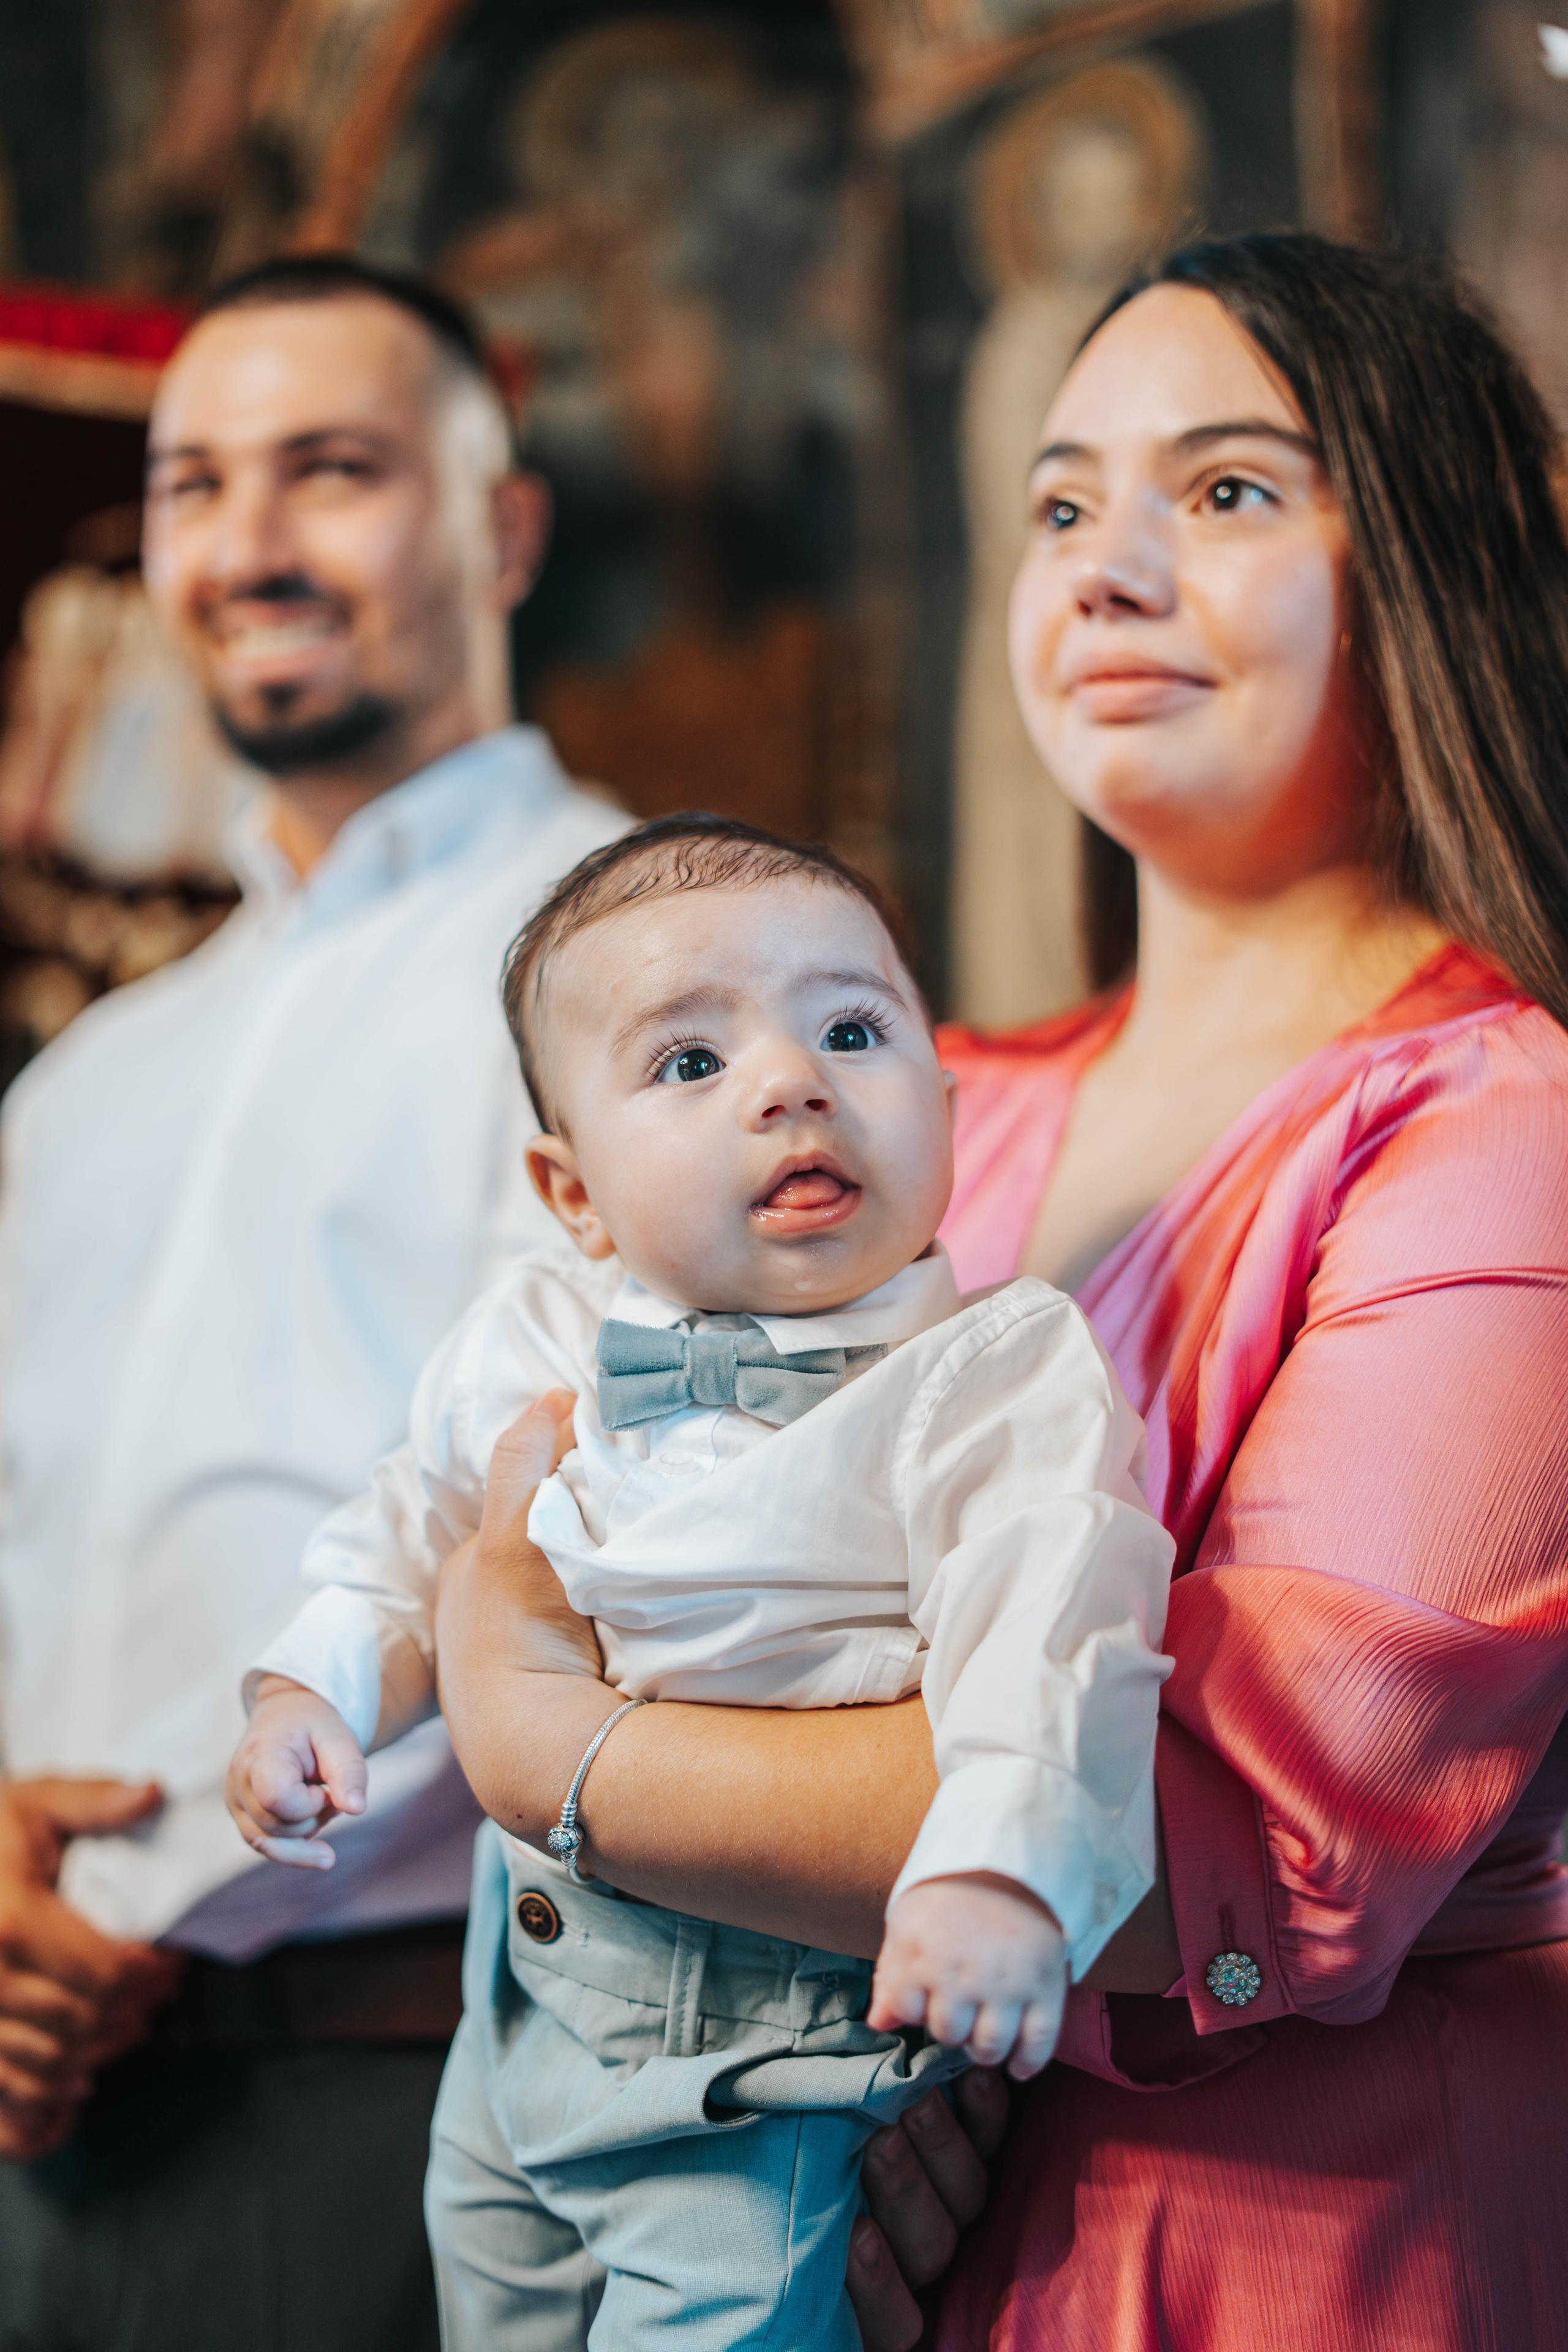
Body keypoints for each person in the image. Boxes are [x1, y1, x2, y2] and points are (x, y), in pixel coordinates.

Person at [431, 233, 1568, 2351]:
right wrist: (851, 2066)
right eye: (1059, 505)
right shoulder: (942, 1104)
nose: (1105, 569)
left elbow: (1240, 1816)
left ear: (1439, 552)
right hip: (847, 2186)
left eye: (1226, 491)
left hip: (1281, 2256)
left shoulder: (1510, 1122)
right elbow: (584, 1517)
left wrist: (553, 1748)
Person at [225, 812, 1175, 2350]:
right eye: (688, 1064)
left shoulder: (986, 1378)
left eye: (850, 1032)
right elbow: (416, 1535)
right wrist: (311, 1691)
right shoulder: (534, 1338)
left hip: (767, 2033)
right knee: (492, 2285)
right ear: (574, 1192)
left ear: (946, 1107)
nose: (789, 1083)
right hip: (523, 1981)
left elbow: (1056, 1628)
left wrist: (998, 1874)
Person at [0, 254, 623, 2351]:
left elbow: (573, 1530)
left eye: (331, 470)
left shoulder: (651, 970)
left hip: (398, 2071)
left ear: (501, 526)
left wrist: (133, 1898)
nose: (246, 542)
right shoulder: (95, 1075)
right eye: (193, 485)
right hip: (32, 2089)